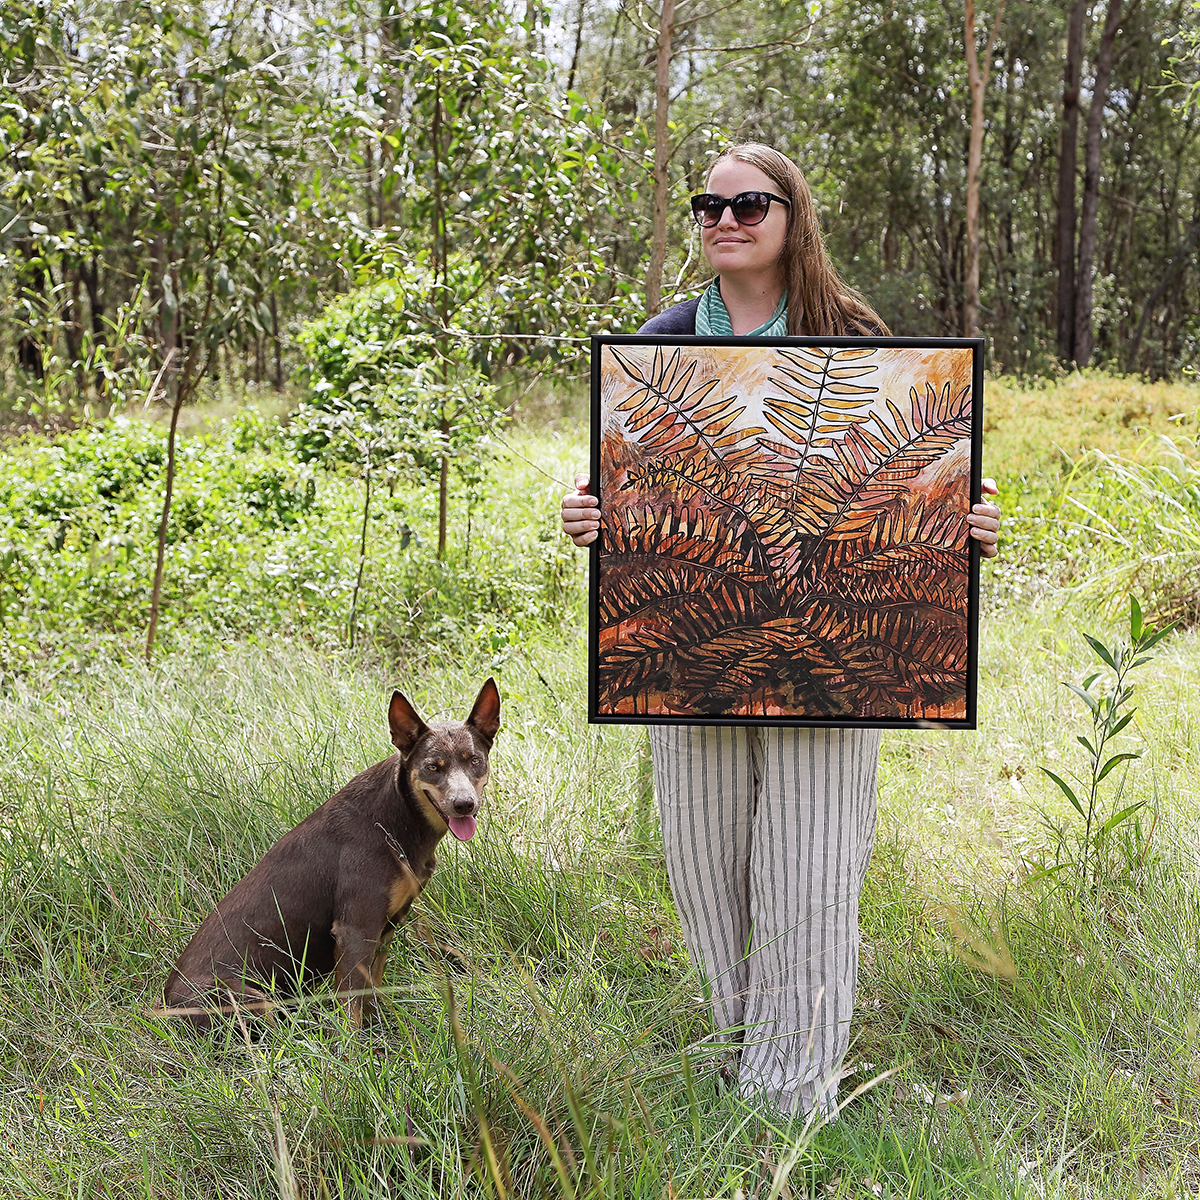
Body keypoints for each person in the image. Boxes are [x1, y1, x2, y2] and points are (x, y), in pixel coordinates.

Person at [562, 143, 1001, 1118]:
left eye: (748, 206)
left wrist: (965, 523)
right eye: (707, 207)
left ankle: (794, 1089)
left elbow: (926, 471)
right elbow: (623, 479)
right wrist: (588, 512)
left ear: (792, 216)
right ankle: (739, 1054)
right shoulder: (663, 343)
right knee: (706, 864)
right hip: (691, 655)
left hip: (834, 660)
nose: (724, 222)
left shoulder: (855, 338)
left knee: (810, 863)